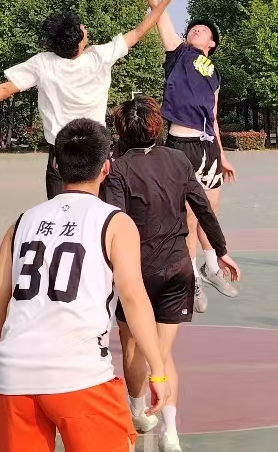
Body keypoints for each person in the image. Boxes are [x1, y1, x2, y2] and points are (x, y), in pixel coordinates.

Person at [0, 118, 172, 452]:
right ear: (106, 167)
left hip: (15, 376)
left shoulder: (21, 223)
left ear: (56, 163)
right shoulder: (115, 222)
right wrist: (157, 371)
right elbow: (134, 298)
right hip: (80, 375)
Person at [0, 0, 189, 200]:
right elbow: (140, 29)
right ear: (79, 42)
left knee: (61, 214)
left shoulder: (43, 63)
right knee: (100, 216)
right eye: (82, 28)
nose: (85, 28)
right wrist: (165, 0)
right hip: (95, 148)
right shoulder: (99, 56)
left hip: (61, 153)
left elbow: (4, 89)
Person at [103, 97, 241, 452]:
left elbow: (113, 220)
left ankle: (138, 413)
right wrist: (221, 252)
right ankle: (171, 432)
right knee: (162, 355)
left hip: (136, 272)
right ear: (157, 127)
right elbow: (203, 209)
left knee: (133, 346)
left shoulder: (117, 169)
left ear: (120, 131)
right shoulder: (179, 160)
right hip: (177, 269)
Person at [114, 0, 237, 313]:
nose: (196, 29)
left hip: (208, 148)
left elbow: (213, 117)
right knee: (188, 215)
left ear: (212, 43)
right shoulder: (179, 52)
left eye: (203, 30)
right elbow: (158, 7)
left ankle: (211, 266)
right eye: (193, 27)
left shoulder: (215, 74)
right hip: (181, 145)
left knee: (210, 213)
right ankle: (192, 279)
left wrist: (223, 155)